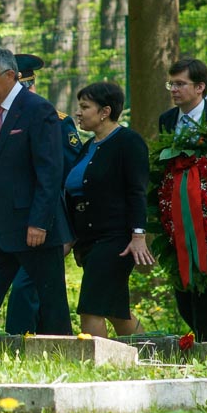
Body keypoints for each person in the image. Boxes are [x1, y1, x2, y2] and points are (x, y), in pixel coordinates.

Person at [0, 47, 72, 336]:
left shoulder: (38, 110)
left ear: (10, 75)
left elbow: (50, 172)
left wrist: (39, 221)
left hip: (34, 227)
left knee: (51, 300)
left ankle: (66, 351)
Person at [65, 82, 154, 337]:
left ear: (105, 111)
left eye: (85, 107)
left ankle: (98, 366)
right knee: (116, 311)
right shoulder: (88, 146)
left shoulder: (128, 142)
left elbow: (137, 191)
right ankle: (150, 352)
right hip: (89, 240)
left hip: (116, 240)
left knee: (91, 308)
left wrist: (138, 236)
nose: (78, 113)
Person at [4, 53, 83, 335]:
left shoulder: (56, 120)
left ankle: (24, 343)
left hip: (49, 222)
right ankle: (37, 341)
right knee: (31, 287)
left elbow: (68, 179)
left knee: (29, 287)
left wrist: (69, 229)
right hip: (14, 223)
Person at [157, 58, 207, 341]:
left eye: (180, 84)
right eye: (172, 84)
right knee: (184, 300)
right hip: (177, 222)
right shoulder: (167, 120)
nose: (174, 90)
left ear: (200, 87)